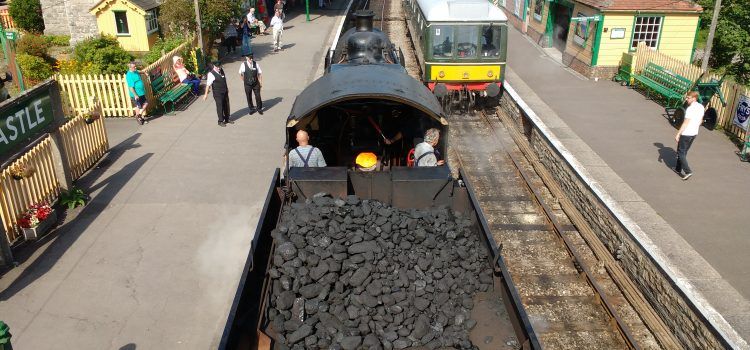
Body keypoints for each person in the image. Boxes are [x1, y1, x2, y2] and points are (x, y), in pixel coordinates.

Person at [674, 91, 704, 180]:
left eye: (688, 98)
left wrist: (678, 133)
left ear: (694, 98)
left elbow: (685, 123)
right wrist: (695, 127)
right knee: (684, 151)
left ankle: (688, 171)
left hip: (686, 133)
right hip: (694, 133)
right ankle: (678, 168)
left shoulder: (690, 109)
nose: (686, 99)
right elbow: (701, 120)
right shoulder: (701, 107)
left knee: (680, 152)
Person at [203, 61, 234, 127]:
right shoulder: (211, 74)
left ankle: (227, 118)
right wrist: (206, 95)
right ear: (214, 66)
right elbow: (208, 85)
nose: (219, 68)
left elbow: (224, 80)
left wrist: (227, 88)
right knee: (220, 107)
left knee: (226, 105)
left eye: (220, 67)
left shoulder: (221, 70)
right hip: (218, 93)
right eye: (218, 67)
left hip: (224, 91)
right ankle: (220, 121)